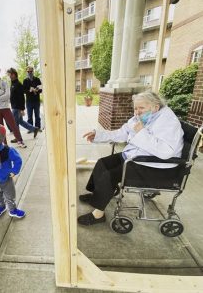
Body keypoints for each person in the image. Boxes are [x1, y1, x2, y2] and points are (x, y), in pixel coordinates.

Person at [78, 92, 184, 226]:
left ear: (155, 107)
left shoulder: (168, 122)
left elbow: (165, 152)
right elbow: (121, 133)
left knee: (109, 175)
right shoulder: (142, 118)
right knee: (102, 163)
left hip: (154, 165)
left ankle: (98, 215)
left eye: (141, 108)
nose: (137, 112)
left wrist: (141, 133)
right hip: (136, 156)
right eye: (135, 108)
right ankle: (97, 195)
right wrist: (97, 135)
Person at [0, 63, 27, 148]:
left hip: (5, 108)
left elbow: (8, 95)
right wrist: (1, 92)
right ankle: (4, 145)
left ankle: (20, 141)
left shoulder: (4, 82)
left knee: (13, 125)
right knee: (0, 129)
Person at [7, 67, 39, 142]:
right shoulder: (13, 84)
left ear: (14, 75)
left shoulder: (18, 84)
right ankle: (34, 129)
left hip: (17, 107)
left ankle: (18, 137)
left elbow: (21, 97)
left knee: (15, 123)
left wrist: (22, 109)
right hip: (15, 106)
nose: (8, 76)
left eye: (9, 75)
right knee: (20, 121)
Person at [23, 66, 42, 131]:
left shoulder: (37, 79)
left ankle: (38, 128)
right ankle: (30, 128)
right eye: (28, 71)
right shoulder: (25, 81)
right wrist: (29, 90)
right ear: (26, 72)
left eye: (31, 71)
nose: (30, 73)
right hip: (29, 101)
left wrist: (37, 90)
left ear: (33, 71)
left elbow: (41, 89)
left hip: (36, 101)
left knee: (37, 116)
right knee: (29, 116)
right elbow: (24, 91)